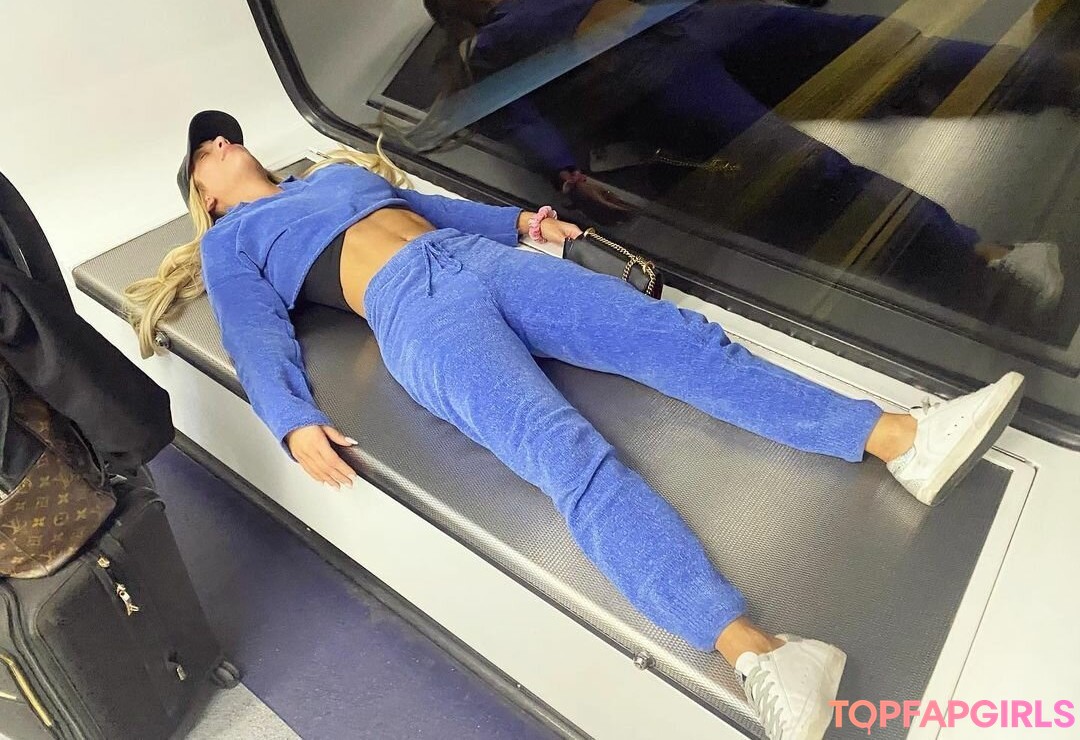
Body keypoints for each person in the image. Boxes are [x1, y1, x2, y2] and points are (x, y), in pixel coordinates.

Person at [125, 111, 1025, 740]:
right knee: (569, 459)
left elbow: (436, 213)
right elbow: (254, 335)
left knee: (679, 341)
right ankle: (759, 658)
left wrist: (518, 221)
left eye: (221, 133)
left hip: (474, 257)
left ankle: (904, 441)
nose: (219, 142)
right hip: (412, 314)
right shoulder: (230, 242)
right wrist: (292, 421)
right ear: (206, 196)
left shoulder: (335, 177)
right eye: (203, 150)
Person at [422, 0, 1070, 320]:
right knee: (809, 173)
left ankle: (1054, 79)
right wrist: (566, 171)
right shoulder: (491, 44)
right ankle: (980, 265)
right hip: (652, 74)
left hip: (695, 29)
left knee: (889, 58)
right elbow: (518, 113)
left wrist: (565, 169)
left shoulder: (493, 41)